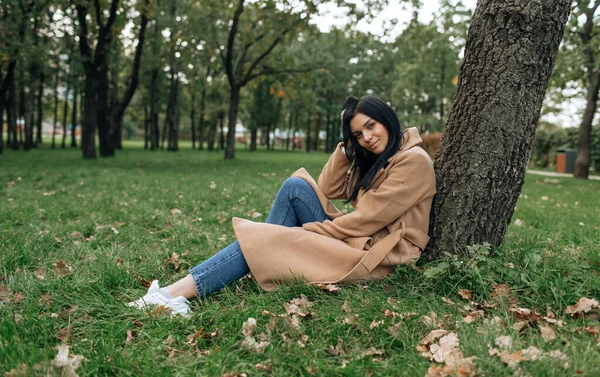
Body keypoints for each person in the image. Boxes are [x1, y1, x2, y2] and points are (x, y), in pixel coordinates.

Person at [127, 95, 436, 317]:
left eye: (371, 126)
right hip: (365, 239)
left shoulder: (413, 161)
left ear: (386, 119)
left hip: (381, 255)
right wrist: (345, 146)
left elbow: (366, 219)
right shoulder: (382, 158)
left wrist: (310, 232)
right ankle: (253, 256)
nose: (367, 137)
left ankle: (172, 295)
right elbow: (329, 188)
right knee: (296, 188)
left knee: (271, 237)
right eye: (358, 133)